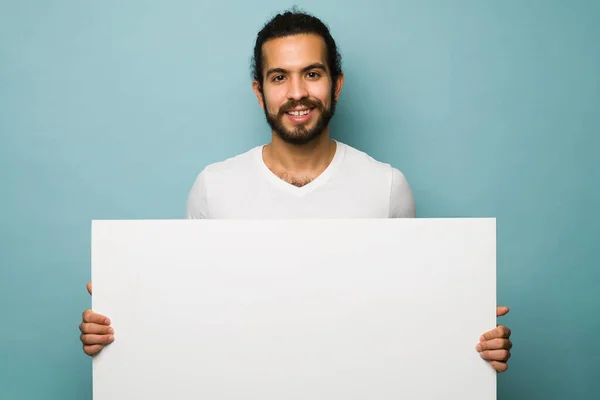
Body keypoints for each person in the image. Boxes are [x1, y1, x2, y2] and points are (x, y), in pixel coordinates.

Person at [79, 9, 512, 372]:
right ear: (259, 91)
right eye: (279, 77)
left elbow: (411, 317)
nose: (297, 93)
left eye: (312, 73)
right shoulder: (214, 187)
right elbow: (191, 313)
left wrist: (469, 336)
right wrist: (122, 326)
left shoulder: (387, 187)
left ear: (336, 84)